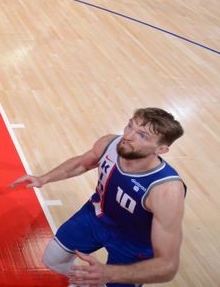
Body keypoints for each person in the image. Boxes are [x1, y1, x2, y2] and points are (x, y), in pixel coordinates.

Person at [10, 108, 186, 287]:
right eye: (129, 126)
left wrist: (109, 273)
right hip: (95, 217)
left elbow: (168, 266)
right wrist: (43, 178)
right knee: (53, 260)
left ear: (161, 149)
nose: (128, 136)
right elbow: (81, 163)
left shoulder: (166, 190)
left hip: (133, 245)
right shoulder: (110, 144)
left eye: (142, 136)